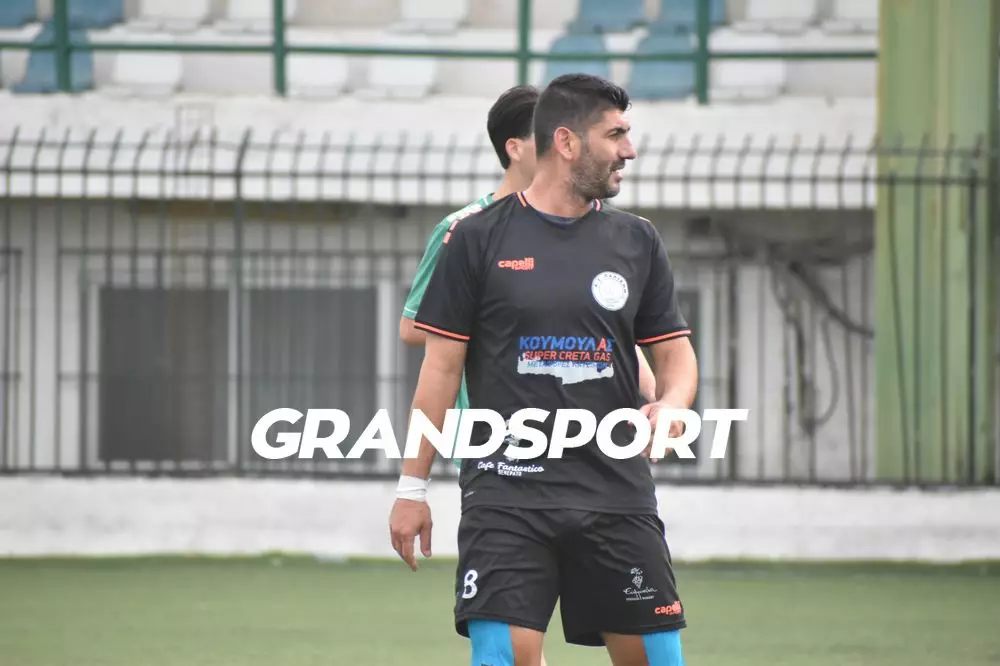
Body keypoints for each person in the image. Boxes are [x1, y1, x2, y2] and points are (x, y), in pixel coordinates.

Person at [390, 73, 698, 666]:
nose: (629, 150)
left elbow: (673, 353)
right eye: (615, 135)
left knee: (657, 659)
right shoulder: (474, 238)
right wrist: (412, 488)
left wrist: (674, 404)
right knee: (504, 658)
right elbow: (440, 371)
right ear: (567, 142)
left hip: (615, 493)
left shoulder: (637, 241)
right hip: (507, 490)